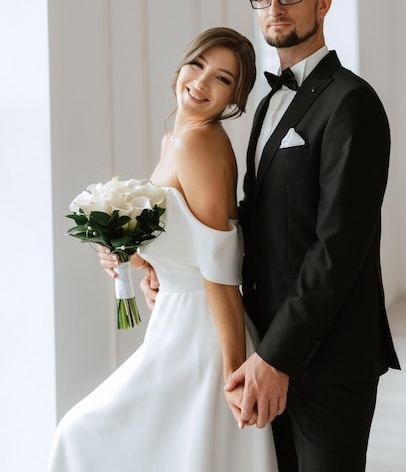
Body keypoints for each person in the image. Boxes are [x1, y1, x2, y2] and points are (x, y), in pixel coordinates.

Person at [47, 27, 279, 472]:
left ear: (234, 99)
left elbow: (219, 265)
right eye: (199, 65)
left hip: (201, 333)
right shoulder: (174, 140)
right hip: (175, 319)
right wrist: (130, 254)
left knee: (81, 432)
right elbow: (183, 239)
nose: (202, 82)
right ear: (181, 66)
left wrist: (233, 370)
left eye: (223, 79)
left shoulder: (199, 143)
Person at [222, 0, 401, 472]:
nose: (275, 7)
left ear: (323, 3)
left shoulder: (352, 102)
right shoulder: (265, 104)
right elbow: (260, 218)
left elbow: (338, 247)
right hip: (263, 345)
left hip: (328, 355)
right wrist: (161, 254)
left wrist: (278, 356)